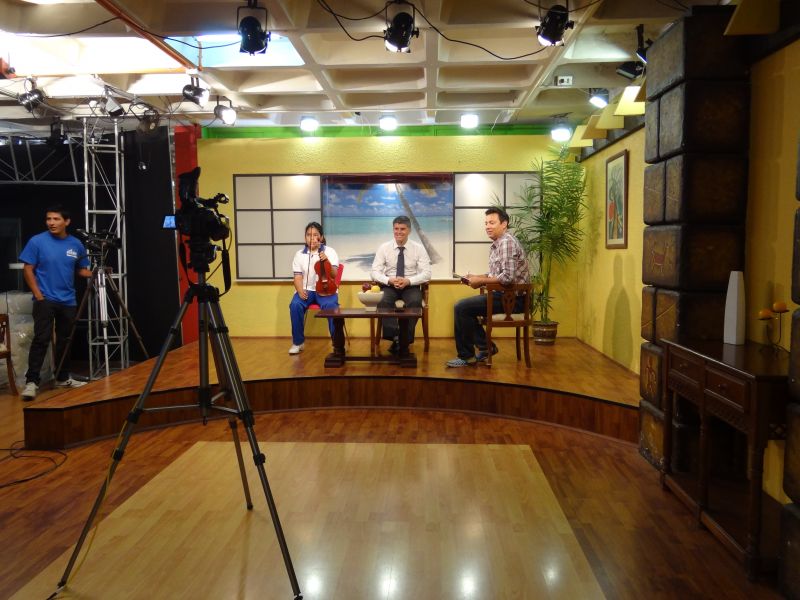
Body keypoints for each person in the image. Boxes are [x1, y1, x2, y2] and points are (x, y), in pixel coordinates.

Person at [20, 206, 92, 400]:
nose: (51, 222)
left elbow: (81, 270)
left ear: (66, 222)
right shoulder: (37, 241)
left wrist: (98, 272)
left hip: (68, 300)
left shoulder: (76, 244)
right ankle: (31, 382)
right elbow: (28, 269)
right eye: (48, 219)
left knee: (65, 341)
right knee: (41, 339)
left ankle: (62, 377)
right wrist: (38, 295)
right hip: (45, 299)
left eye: (56, 219)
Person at [447, 207, 530, 367]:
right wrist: (476, 277)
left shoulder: (506, 243)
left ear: (504, 224)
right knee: (464, 309)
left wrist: (480, 281)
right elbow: (495, 274)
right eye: (486, 223)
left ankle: (467, 356)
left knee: (461, 307)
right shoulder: (497, 244)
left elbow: (507, 278)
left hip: (513, 300)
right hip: (502, 296)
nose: (487, 226)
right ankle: (486, 348)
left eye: (492, 222)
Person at [370, 215, 431, 353]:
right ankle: (396, 337)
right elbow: (374, 272)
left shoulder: (419, 248)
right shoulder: (384, 248)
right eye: (396, 229)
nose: (398, 232)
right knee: (383, 300)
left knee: (415, 301)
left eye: (402, 229)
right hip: (390, 285)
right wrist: (389, 280)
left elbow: (427, 273)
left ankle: (404, 338)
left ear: (409, 230)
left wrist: (408, 281)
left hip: (410, 285)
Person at [288, 222, 340, 355]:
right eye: (308, 235)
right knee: (295, 304)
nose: (312, 238)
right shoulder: (299, 254)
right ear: (305, 237)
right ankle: (298, 342)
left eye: (315, 235)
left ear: (321, 237)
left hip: (326, 289)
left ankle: (337, 344)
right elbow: (297, 276)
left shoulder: (330, 251)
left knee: (331, 306)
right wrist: (300, 290)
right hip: (307, 290)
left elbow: (334, 275)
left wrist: (326, 261)